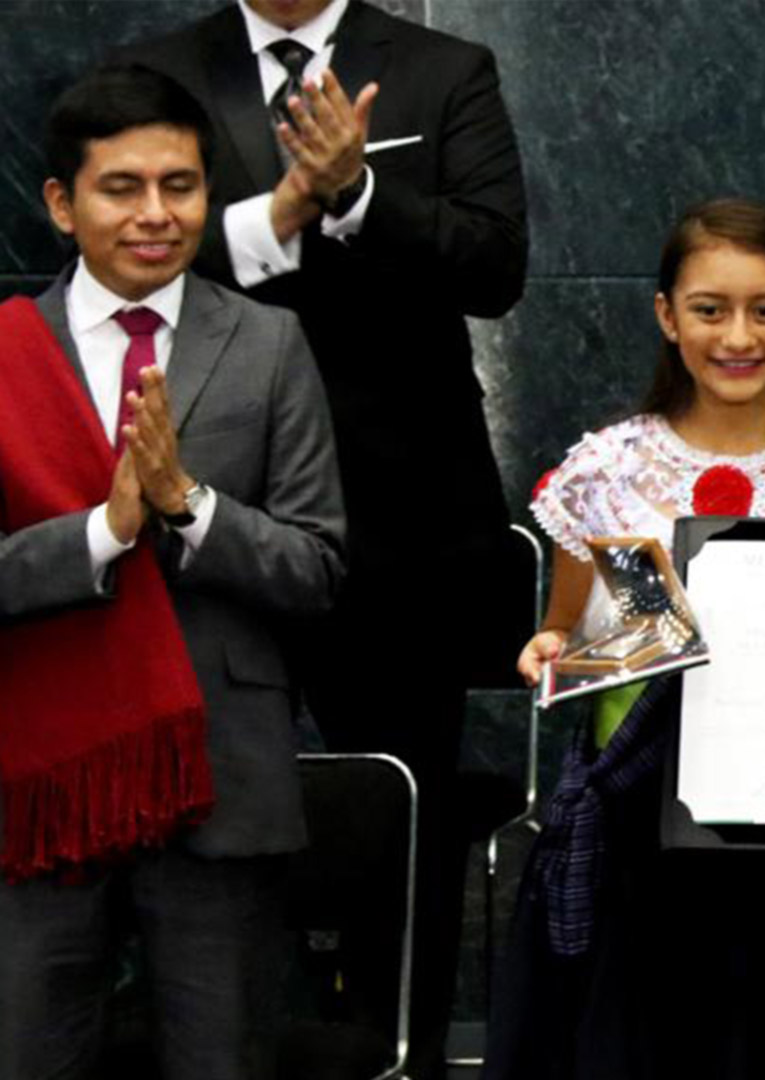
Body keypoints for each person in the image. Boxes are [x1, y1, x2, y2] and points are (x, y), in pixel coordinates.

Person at [120, 2, 529, 1070]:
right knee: (207, 826)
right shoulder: (160, 73)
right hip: (205, 512)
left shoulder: (446, 69)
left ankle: (410, 1057)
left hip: (407, 526)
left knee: (410, 836)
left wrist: (357, 193)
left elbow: (494, 267)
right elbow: (129, 266)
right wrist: (280, 210)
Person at [483, 198, 765, 1080]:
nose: (737, 336)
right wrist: (549, 650)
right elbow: (564, 628)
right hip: (632, 860)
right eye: (709, 309)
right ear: (665, 315)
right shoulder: (604, 471)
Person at [0, 64, 346, 1080]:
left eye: (182, 186)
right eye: (123, 187)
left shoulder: (270, 344)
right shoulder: (9, 352)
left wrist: (190, 506)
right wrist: (102, 535)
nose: (156, 213)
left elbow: (318, 567)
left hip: (221, 781)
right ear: (62, 203)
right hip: (40, 786)